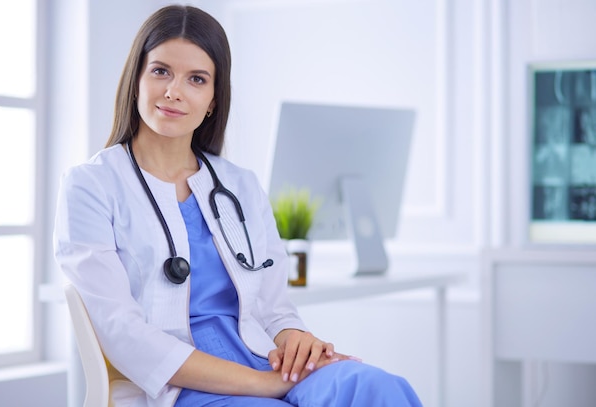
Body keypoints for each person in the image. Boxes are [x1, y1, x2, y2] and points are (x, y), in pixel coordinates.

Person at [53, 5, 423, 407]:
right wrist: (260, 385)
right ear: (136, 80)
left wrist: (296, 341)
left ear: (213, 98)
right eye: (161, 71)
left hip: (265, 361)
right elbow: (121, 330)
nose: (174, 91)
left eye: (197, 79)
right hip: (180, 385)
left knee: (378, 388)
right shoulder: (91, 185)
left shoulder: (239, 185)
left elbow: (274, 308)